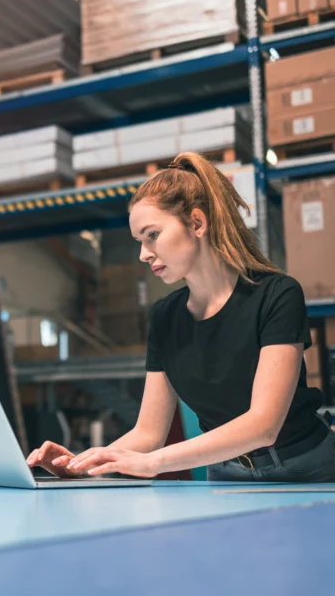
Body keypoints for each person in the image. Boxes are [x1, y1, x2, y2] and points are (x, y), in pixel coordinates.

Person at [27, 151, 335, 483]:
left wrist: (155, 463)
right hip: (228, 474)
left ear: (197, 223)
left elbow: (264, 426)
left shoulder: (277, 295)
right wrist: (81, 466)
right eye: (139, 241)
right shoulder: (165, 317)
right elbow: (148, 432)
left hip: (308, 469)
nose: (144, 254)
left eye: (152, 235)